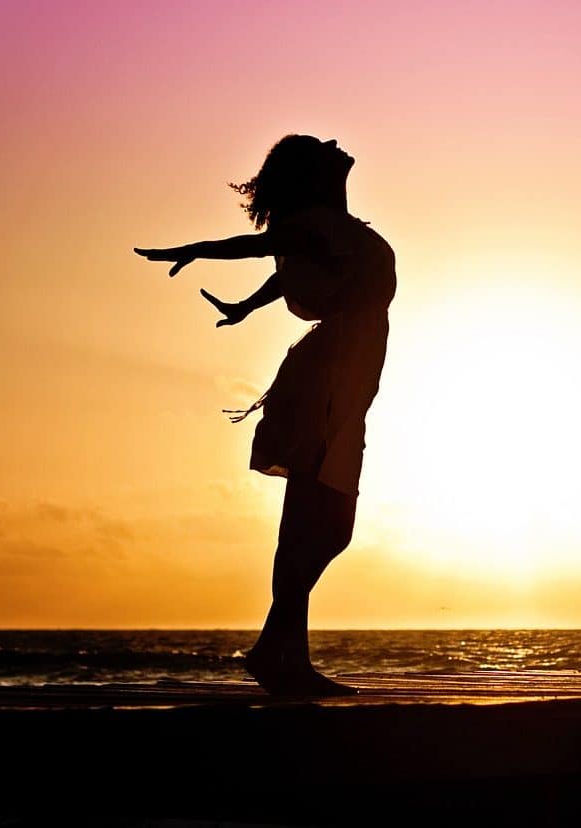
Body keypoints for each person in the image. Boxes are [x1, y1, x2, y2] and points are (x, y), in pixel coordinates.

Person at [135, 135, 396, 695]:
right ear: (313, 172)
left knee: (325, 523)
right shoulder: (316, 223)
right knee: (317, 518)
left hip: (343, 381)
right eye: (321, 146)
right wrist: (197, 250)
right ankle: (283, 657)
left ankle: (273, 650)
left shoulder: (334, 230)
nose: (335, 143)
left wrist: (245, 307)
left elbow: (286, 272)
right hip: (328, 381)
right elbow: (256, 249)